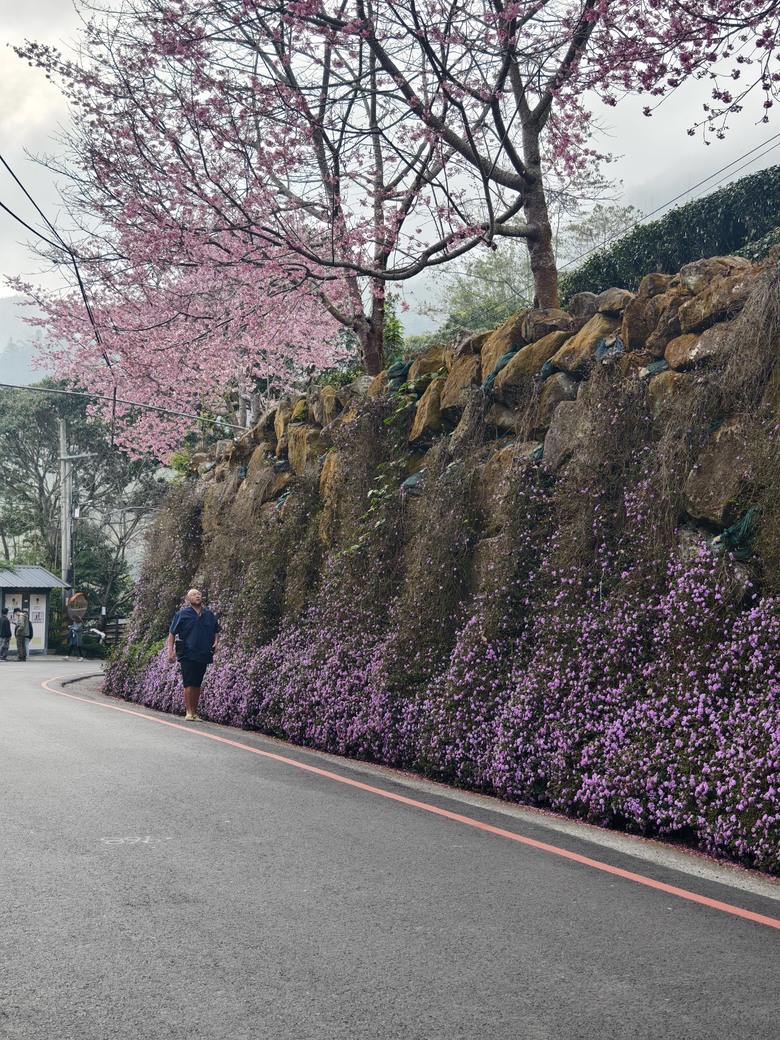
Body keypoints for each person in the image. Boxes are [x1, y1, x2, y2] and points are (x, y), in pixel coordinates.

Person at [167, 588, 220, 722]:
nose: (197, 596)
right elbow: (172, 632)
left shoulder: (208, 614)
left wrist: (216, 642)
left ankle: (195, 712)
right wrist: (170, 651)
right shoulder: (182, 614)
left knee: (197, 683)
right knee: (188, 683)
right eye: (194, 594)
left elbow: (216, 630)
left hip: (203, 652)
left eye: (199, 594)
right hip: (187, 652)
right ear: (188, 599)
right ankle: (189, 712)